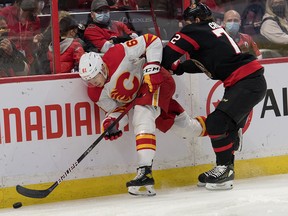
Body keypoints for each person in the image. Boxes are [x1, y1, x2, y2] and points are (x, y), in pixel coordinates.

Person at [78, 33, 207, 196]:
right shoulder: (95, 93)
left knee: (142, 115)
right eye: (87, 80)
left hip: (155, 83)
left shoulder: (118, 53)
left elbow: (151, 40)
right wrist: (112, 123)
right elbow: (119, 111)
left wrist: (152, 67)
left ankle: (144, 171)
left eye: (93, 78)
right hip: (144, 98)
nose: (91, 83)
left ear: (102, 68)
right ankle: (223, 129)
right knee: (186, 128)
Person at [162, 3, 267, 190]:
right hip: (248, 81)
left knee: (216, 123)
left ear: (195, 20)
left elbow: (166, 57)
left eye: (187, 21)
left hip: (245, 82)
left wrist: (157, 57)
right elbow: (207, 64)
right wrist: (178, 68)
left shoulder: (193, 30)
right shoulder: (214, 30)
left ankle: (224, 170)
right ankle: (226, 167)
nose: (184, 25)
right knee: (226, 126)